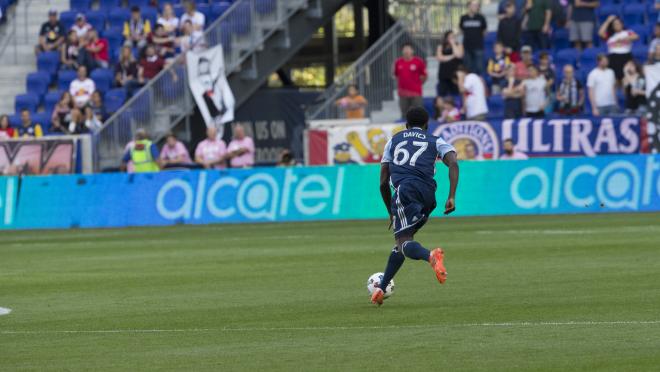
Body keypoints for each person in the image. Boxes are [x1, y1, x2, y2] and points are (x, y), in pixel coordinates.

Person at [370, 107, 459, 306]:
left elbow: (383, 181)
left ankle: (431, 256)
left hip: (406, 191)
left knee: (403, 241)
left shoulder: (394, 140)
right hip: (429, 195)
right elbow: (453, 162)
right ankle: (382, 287)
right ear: (427, 124)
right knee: (403, 243)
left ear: (406, 125)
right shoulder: (435, 140)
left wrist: (390, 211)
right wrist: (451, 196)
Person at [598, 15, 638, 82]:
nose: (617, 25)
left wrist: (624, 39)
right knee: (614, 80)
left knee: (626, 79)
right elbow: (600, 33)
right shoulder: (610, 35)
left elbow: (636, 36)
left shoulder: (627, 32)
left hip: (626, 57)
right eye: (615, 24)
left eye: (619, 23)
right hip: (613, 58)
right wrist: (608, 21)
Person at [393, 43, 427, 118]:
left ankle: (418, 129)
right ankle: (406, 129)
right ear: (402, 51)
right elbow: (396, 76)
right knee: (404, 114)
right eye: (405, 49)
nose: (406, 51)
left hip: (416, 93)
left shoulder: (418, 61)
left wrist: (418, 85)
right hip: (403, 94)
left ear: (412, 51)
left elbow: (424, 75)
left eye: (408, 49)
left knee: (418, 113)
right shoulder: (398, 62)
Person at [459, 1, 487, 75]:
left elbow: (484, 31)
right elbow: (461, 30)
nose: (476, 7)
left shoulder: (481, 17)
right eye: (474, 5)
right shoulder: (463, 18)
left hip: (478, 47)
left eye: (477, 5)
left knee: (480, 68)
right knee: (468, 68)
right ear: (469, 6)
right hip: (467, 47)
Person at [436, 31, 463, 96]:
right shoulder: (441, 46)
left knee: (456, 94)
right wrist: (452, 56)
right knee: (442, 94)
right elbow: (440, 58)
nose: (451, 38)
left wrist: (453, 44)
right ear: (446, 38)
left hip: (454, 75)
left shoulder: (459, 45)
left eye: (453, 37)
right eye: (450, 37)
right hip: (444, 74)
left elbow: (459, 55)